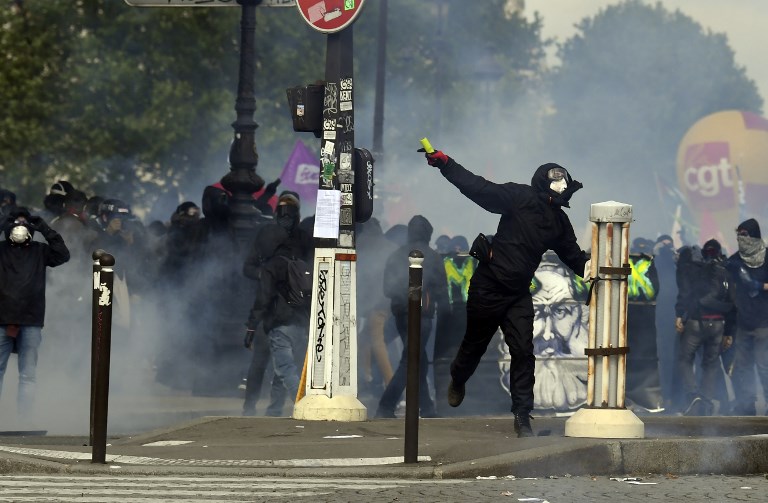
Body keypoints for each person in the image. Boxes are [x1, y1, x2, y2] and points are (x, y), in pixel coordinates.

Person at [418, 147, 588, 437]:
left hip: (518, 294)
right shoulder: (520, 197)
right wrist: (446, 164)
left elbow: (575, 258)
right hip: (488, 286)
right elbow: (479, 188)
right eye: (556, 179)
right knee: (474, 346)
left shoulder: (560, 222)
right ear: (543, 182)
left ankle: (522, 416)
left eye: (564, 180)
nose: (562, 184)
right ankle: (458, 379)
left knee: (523, 351)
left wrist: (604, 272)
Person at [242, 191, 312, 416]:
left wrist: (269, 276)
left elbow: (249, 268)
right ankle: (266, 408)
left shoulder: (289, 236)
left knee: (276, 364)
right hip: (291, 310)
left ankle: (265, 409)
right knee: (280, 363)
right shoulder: (294, 237)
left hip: (275, 309)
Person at [376, 214, 448, 418]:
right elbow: (442, 290)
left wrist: (403, 293)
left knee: (418, 360)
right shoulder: (432, 257)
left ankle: (427, 407)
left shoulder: (396, 255)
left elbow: (387, 290)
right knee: (410, 361)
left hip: (400, 316)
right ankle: (385, 406)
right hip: (422, 317)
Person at [0, 208, 70, 417]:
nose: (19, 227)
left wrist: (46, 229)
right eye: (15, 222)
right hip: (2, 320)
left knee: (28, 375)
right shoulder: (1, 250)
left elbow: (63, 255)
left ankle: (24, 419)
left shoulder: (40, 250)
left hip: (30, 320)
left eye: (24, 223)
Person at [674, 239, 735, 415]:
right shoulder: (725, 272)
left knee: (685, 359)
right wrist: (729, 332)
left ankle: (693, 395)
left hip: (695, 322)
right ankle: (706, 401)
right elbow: (733, 303)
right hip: (718, 324)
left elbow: (685, 294)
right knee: (710, 364)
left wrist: (680, 315)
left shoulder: (696, 270)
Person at [724, 218, 768, 416]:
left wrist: (760, 286)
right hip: (742, 324)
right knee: (743, 367)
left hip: (764, 324)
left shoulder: (767, 258)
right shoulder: (734, 262)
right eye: (739, 235)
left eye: (745, 234)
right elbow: (729, 294)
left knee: (764, 366)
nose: (741, 239)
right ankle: (747, 405)